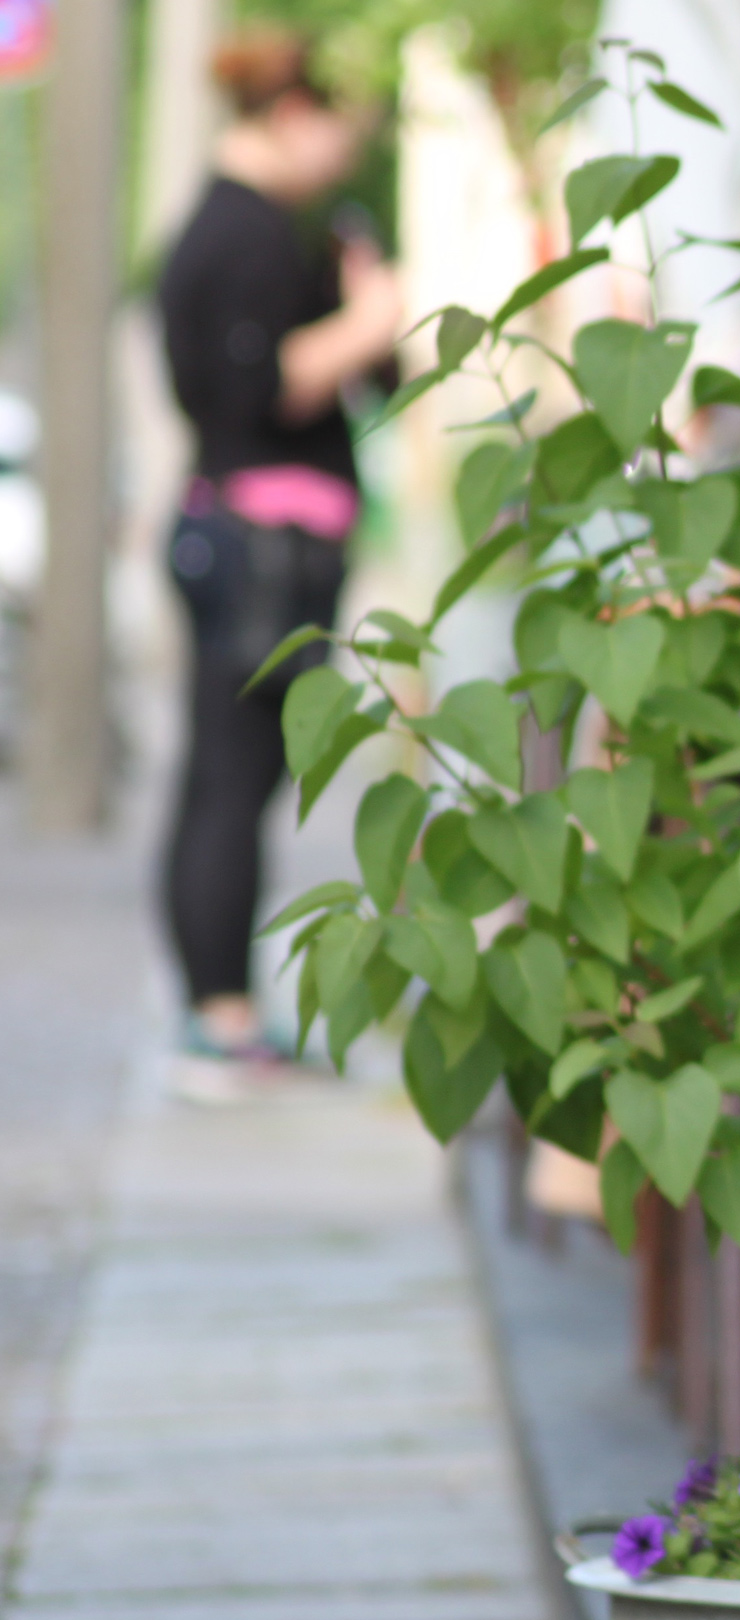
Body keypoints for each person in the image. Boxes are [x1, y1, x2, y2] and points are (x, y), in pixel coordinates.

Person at [159, 27, 400, 1092]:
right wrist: (372, 321)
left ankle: (221, 1011)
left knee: (232, 776)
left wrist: (367, 309)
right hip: (261, 545)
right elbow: (251, 387)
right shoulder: (242, 234)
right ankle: (220, 1018)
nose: (349, 151)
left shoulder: (263, 228)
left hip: (257, 539)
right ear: (295, 116)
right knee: (232, 777)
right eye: (341, 128)